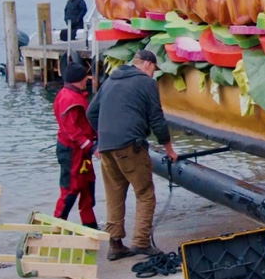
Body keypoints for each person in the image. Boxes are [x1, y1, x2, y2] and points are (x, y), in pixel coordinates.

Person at [87, 49, 177, 261]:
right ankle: (141, 242)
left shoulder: (110, 80)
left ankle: (115, 244)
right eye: (154, 69)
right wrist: (169, 149)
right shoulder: (146, 83)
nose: (154, 74)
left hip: (106, 147)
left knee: (114, 194)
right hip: (130, 146)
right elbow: (157, 119)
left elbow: (91, 112)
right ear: (147, 64)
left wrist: (102, 138)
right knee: (145, 193)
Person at [53, 63, 98, 229]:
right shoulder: (68, 98)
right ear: (80, 80)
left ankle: (89, 224)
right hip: (72, 151)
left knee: (87, 185)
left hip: (81, 151)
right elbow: (71, 129)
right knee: (70, 189)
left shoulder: (71, 95)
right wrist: (91, 146)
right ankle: (56, 227)